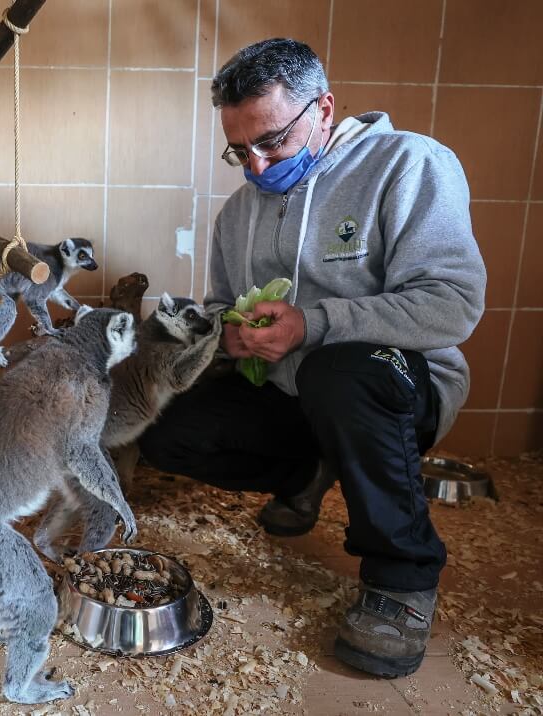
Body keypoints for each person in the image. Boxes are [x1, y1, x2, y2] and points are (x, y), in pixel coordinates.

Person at [138, 38, 486, 678]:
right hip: (292, 392)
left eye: (271, 140)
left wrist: (315, 324)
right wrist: (229, 336)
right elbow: (221, 307)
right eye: (240, 149)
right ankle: (309, 470)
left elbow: (452, 303)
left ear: (323, 109)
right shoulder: (238, 214)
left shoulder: (407, 164)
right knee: (164, 429)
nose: (257, 163)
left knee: (338, 367)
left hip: (391, 385)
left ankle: (401, 580)